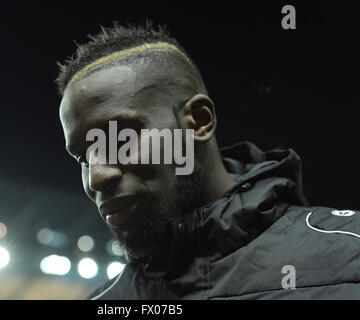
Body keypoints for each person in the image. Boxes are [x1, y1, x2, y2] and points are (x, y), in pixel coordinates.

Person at [56, 21, 360, 299]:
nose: (96, 178)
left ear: (199, 122)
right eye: (84, 156)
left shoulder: (350, 255)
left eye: (120, 139)